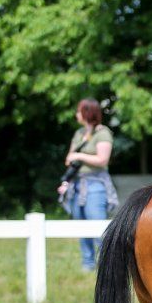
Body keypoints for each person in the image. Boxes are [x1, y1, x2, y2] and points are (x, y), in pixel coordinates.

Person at [57, 98, 118, 271]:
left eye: (79, 111)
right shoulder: (79, 133)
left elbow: (102, 159)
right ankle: (88, 264)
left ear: (87, 112)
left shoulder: (103, 133)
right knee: (80, 225)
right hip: (77, 184)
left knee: (97, 225)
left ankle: (106, 265)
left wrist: (79, 156)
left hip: (95, 185)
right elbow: (69, 158)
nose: (76, 114)